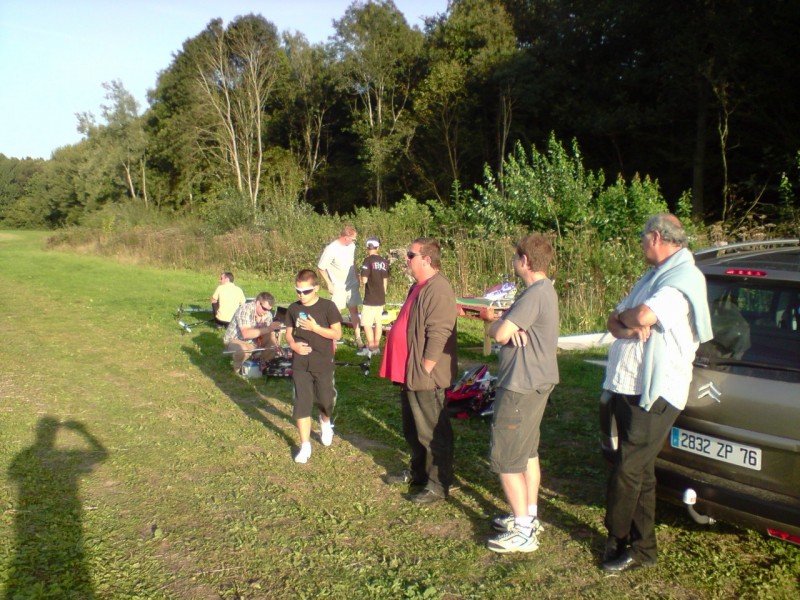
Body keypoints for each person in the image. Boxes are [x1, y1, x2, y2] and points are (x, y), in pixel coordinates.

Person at [601, 213, 712, 574]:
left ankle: (616, 538)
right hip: (629, 384)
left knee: (628, 469)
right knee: (641, 472)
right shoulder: (652, 276)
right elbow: (614, 319)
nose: (639, 243)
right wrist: (626, 323)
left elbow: (644, 315)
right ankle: (644, 549)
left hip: (656, 390)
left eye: (641, 237)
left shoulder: (682, 279)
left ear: (654, 237)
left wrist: (629, 320)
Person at [485, 233, 559, 553]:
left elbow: (500, 332)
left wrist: (497, 323)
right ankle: (528, 515)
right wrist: (507, 326)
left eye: (516, 258)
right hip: (536, 382)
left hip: (521, 385)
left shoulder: (533, 294)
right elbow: (508, 331)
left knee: (506, 459)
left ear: (525, 261)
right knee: (528, 452)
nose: (514, 262)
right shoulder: (546, 290)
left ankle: (524, 532)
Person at [379, 238, 458, 504]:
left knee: (431, 431)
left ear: (426, 259)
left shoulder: (439, 288)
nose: (406, 259)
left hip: (424, 374)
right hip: (408, 371)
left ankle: (438, 484)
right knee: (412, 429)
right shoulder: (418, 285)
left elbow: (439, 332)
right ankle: (419, 473)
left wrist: (426, 367)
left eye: (410, 254)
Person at [285, 269, 343, 464]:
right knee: (302, 403)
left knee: (325, 399)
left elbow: (337, 334)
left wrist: (315, 328)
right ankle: (305, 446)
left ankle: (325, 422)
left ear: (316, 288)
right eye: (298, 291)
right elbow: (288, 333)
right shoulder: (293, 308)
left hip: (323, 361)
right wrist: (293, 345)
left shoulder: (328, 307)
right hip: (301, 363)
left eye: (306, 291)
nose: (301, 295)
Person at [318, 225, 363, 347]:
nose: (354, 241)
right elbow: (321, 267)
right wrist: (329, 283)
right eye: (353, 238)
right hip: (338, 285)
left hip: (351, 283)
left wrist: (357, 276)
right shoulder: (331, 249)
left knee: (354, 310)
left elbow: (352, 262)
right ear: (345, 237)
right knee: (336, 313)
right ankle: (333, 339)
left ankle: (358, 338)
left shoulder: (352, 246)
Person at [223, 292, 282, 374]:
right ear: (257, 303)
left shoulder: (267, 314)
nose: (266, 312)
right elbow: (246, 334)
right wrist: (268, 328)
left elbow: (269, 332)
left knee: (275, 337)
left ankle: (262, 364)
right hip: (235, 340)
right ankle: (238, 369)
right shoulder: (245, 309)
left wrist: (275, 341)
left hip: (253, 342)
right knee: (243, 350)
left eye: (269, 310)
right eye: (264, 309)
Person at [358, 237, 389, 357]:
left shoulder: (367, 261)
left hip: (370, 297)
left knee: (366, 323)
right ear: (377, 248)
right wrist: (383, 294)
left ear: (367, 248)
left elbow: (365, 280)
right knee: (378, 323)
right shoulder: (384, 261)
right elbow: (385, 280)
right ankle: (376, 346)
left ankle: (371, 346)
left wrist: (361, 279)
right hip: (381, 297)